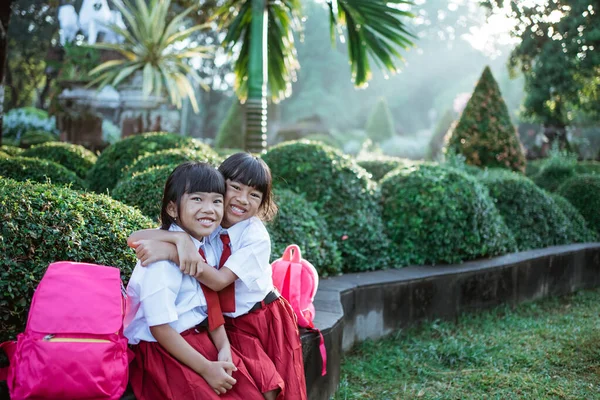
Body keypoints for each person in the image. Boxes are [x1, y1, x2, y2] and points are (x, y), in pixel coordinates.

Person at [129, 153, 307, 400]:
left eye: (254, 195)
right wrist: (178, 240)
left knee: (273, 385)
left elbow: (217, 281)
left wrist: (173, 253)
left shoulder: (254, 236)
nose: (242, 199)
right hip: (220, 324)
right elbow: (134, 238)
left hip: (259, 315)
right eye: (234, 188)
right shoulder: (207, 228)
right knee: (247, 383)